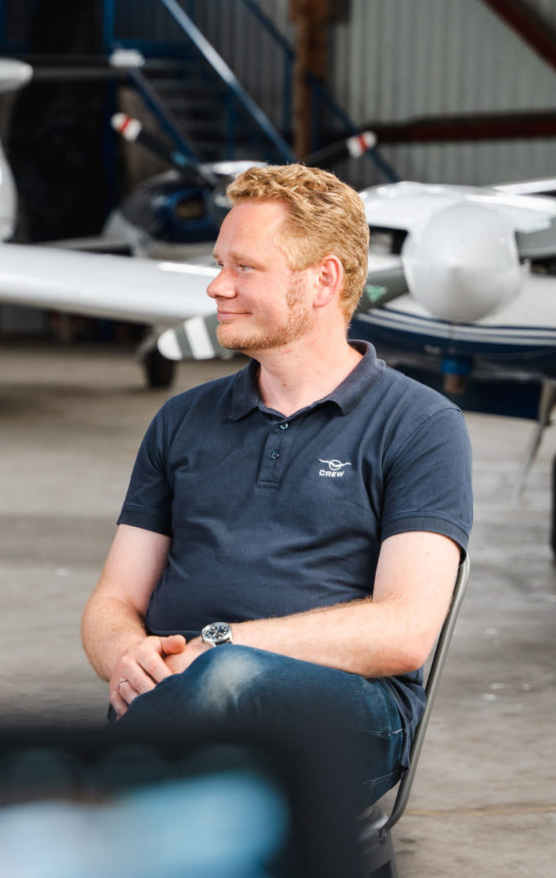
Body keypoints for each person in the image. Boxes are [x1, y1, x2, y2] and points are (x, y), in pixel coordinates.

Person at [80, 164, 471, 806]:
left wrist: (221, 644)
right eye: (218, 264)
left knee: (228, 681)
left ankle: (93, 815)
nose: (216, 286)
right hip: (182, 703)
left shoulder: (421, 425)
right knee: (204, 732)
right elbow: (111, 601)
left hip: (350, 714)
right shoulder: (182, 420)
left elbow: (403, 632)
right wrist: (128, 653)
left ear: (323, 281)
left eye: (244, 268)